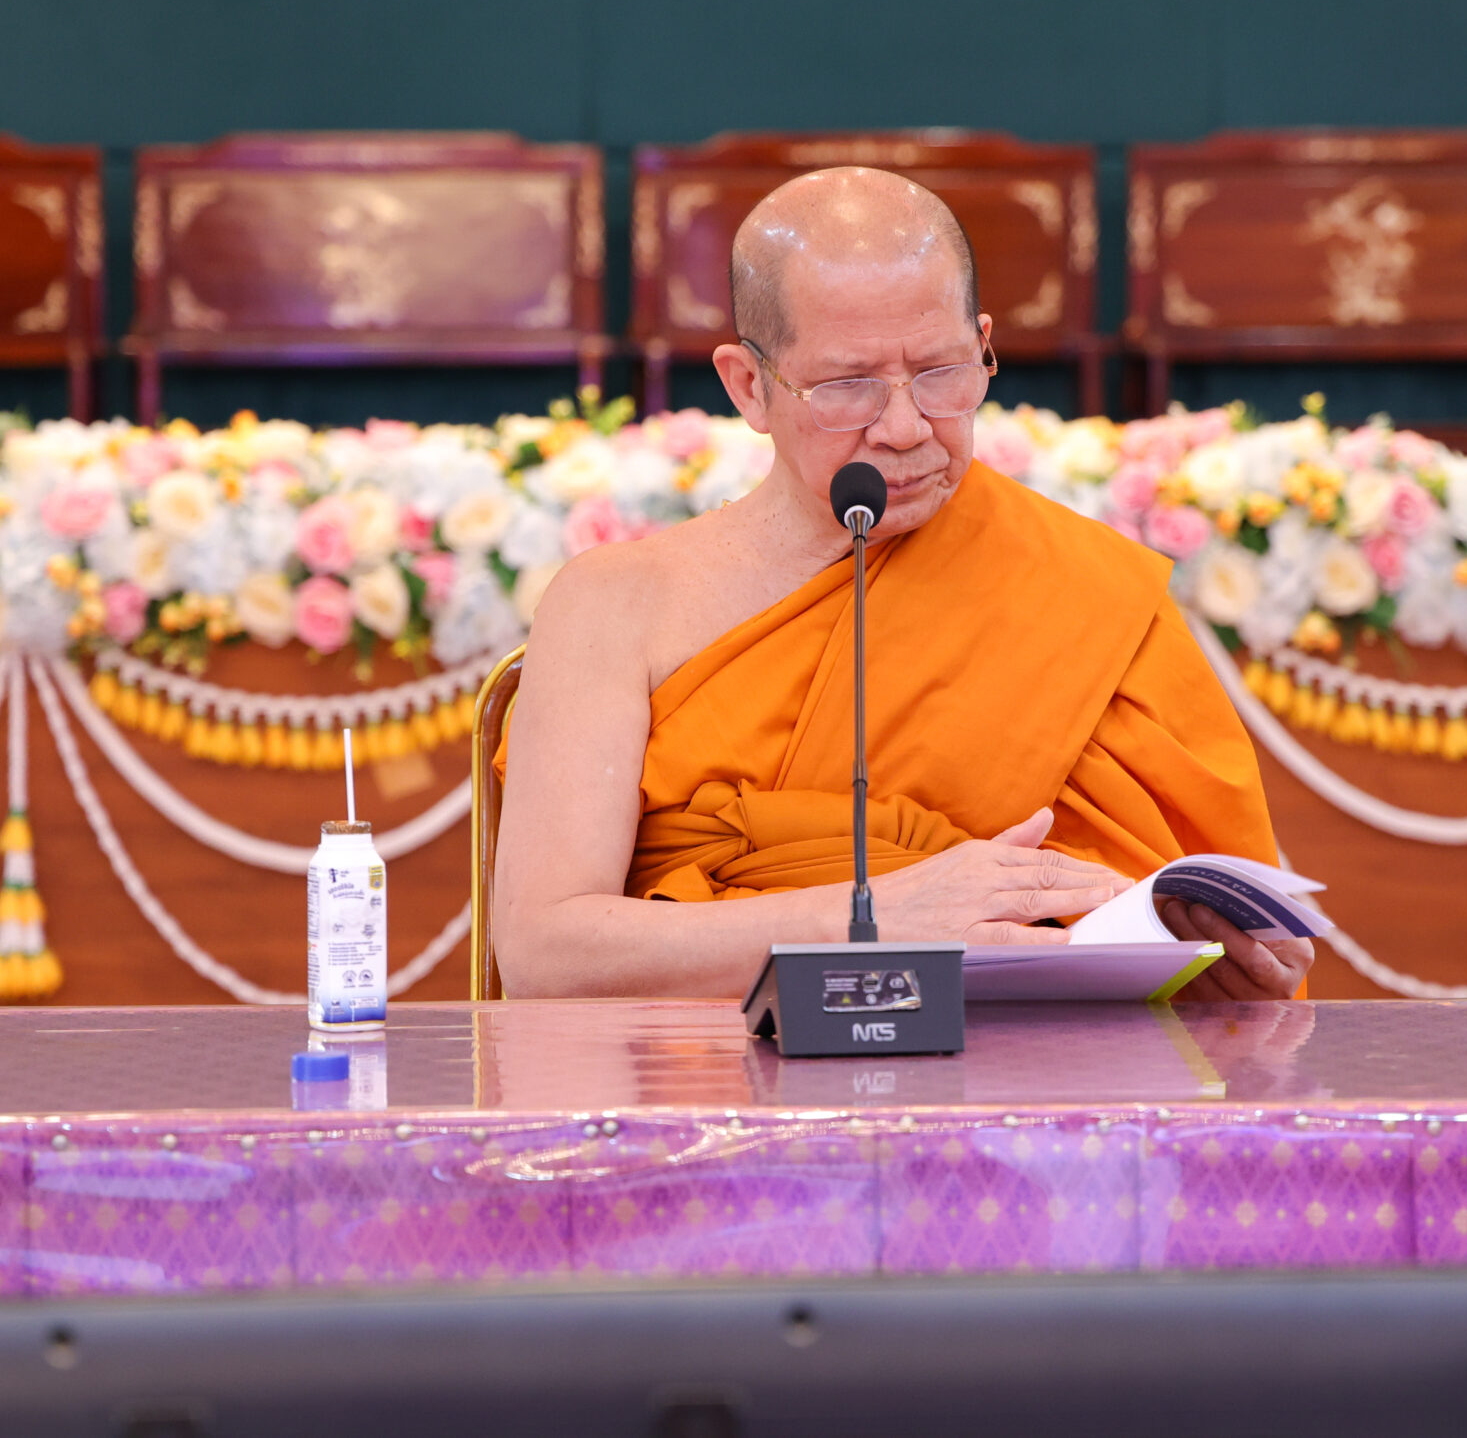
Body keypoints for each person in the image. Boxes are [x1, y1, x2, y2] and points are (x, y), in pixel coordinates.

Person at [493, 166, 1306, 1001]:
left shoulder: (1083, 590)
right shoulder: (617, 605)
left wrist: (1215, 958)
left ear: (984, 344)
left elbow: (1189, 917)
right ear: (749, 387)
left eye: (943, 371)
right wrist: (870, 923)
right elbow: (544, 949)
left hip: (1026, 1069)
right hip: (708, 1065)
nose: (907, 427)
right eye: (849, 386)